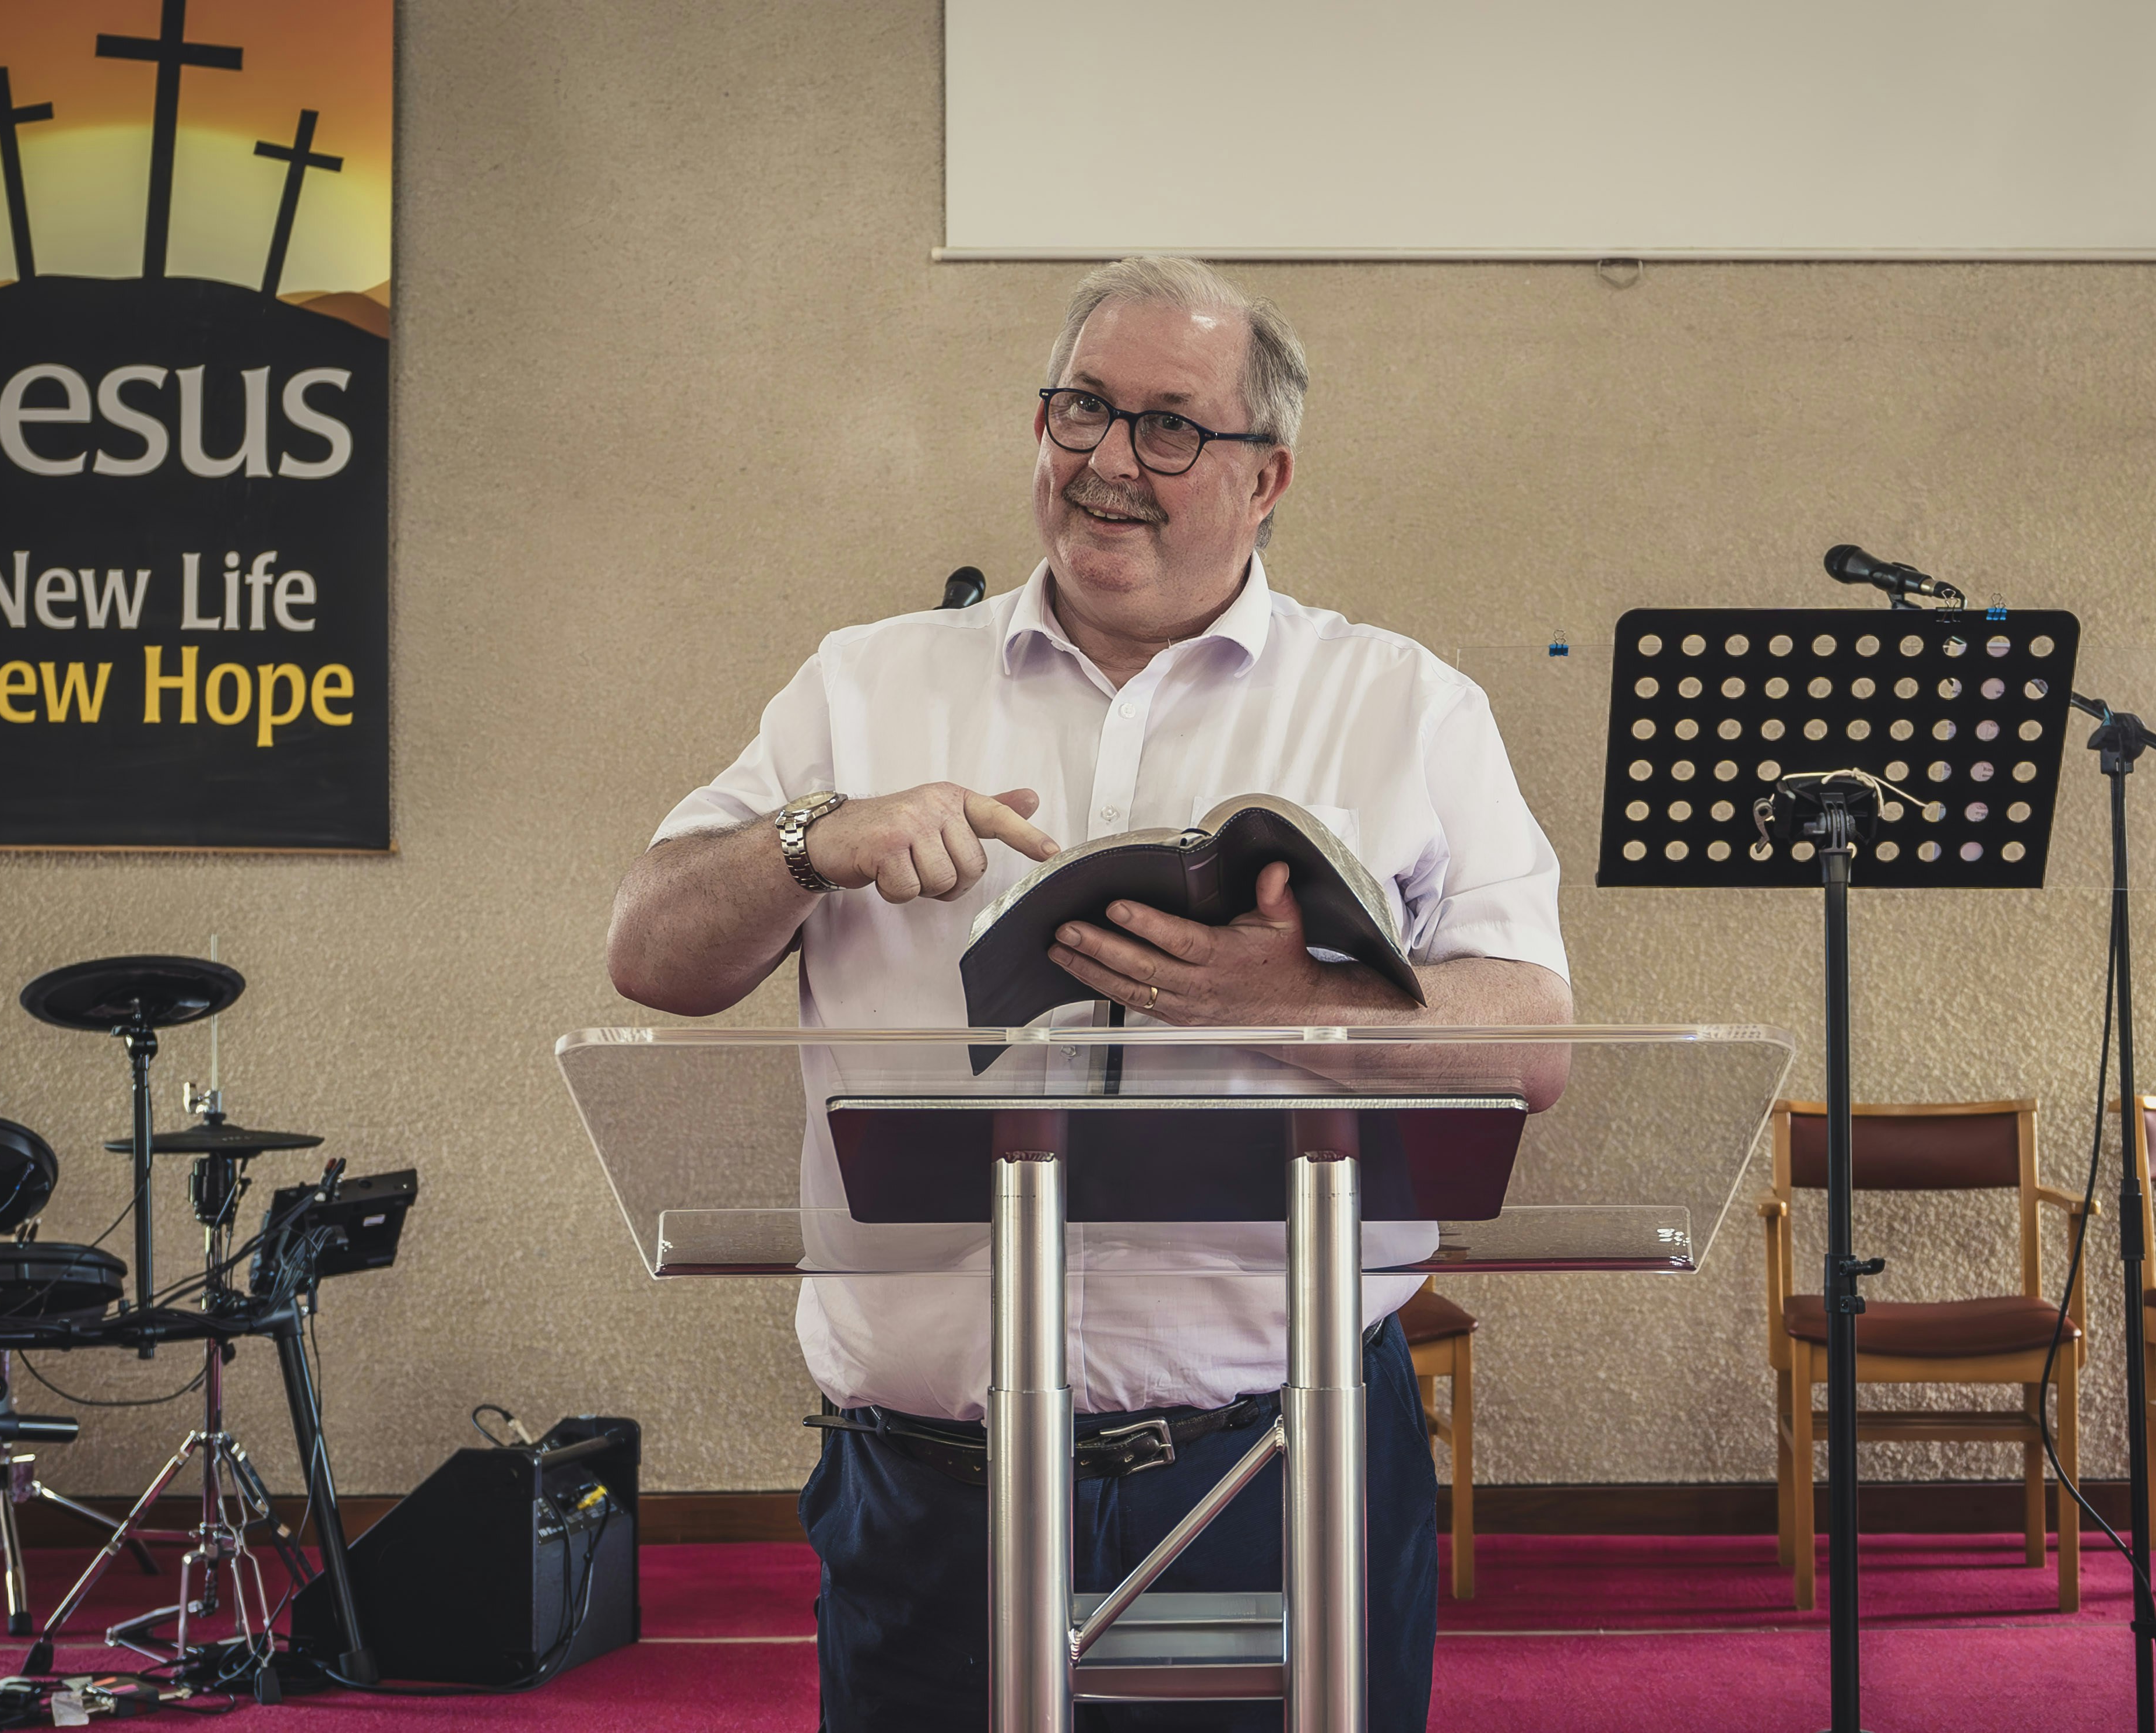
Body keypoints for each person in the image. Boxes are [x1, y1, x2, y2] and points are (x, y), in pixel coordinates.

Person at [607, 256, 1571, 1730]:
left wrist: (1289, 1002)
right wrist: (811, 843)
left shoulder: (1402, 704)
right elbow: (650, 952)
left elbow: (1537, 1041)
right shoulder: (862, 685)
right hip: (930, 1486)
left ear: (1268, 477)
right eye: (1082, 409)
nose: (1113, 460)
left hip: (1280, 1464)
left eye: (1171, 425)